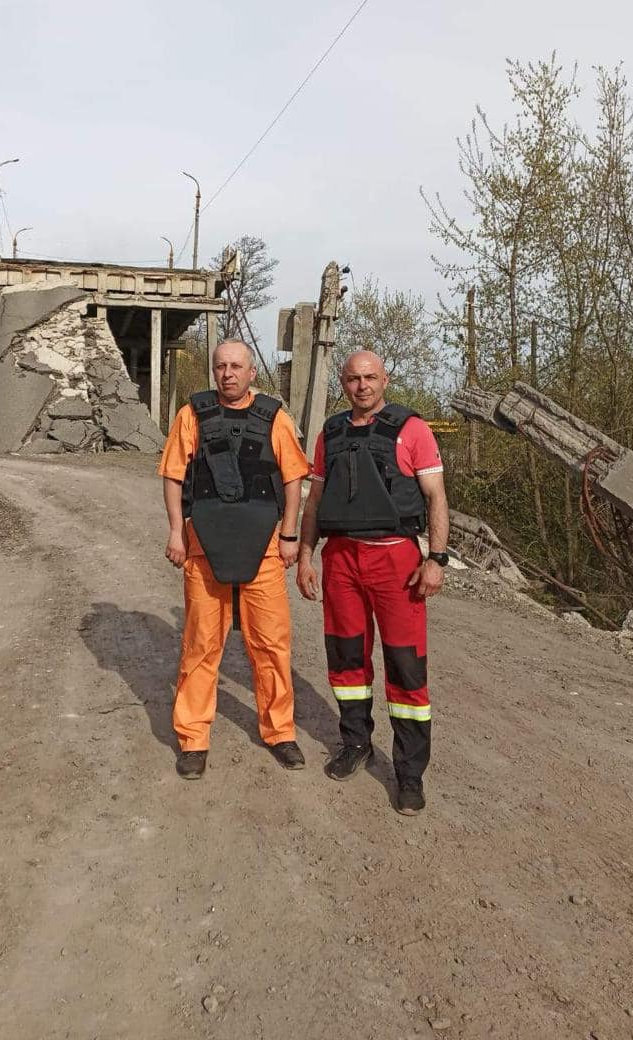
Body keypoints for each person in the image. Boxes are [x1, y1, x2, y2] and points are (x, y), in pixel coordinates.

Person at [297, 351, 449, 815]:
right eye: (353, 379)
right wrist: (305, 554)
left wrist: (436, 559)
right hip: (341, 558)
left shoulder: (412, 430)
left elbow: (436, 496)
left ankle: (408, 773)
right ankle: (355, 743)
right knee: (347, 662)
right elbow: (315, 499)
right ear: (343, 384)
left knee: (405, 667)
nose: (362, 386)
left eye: (370, 378)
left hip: (396, 562)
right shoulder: (332, 433)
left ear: (385, 379)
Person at [159, 339, 310, 780]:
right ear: (214, 371)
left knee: (270, 644)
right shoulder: (191, 416)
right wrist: (175, 531)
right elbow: (173, 475)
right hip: (204, 545)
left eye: (236, 366)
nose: (228, 374)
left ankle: (280, 732)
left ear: (251, 373)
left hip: (263, 548)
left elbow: (294, 479)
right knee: (201, 645)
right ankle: (193, 739)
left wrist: (290, 535)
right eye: (220, 366)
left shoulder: (274, 418)